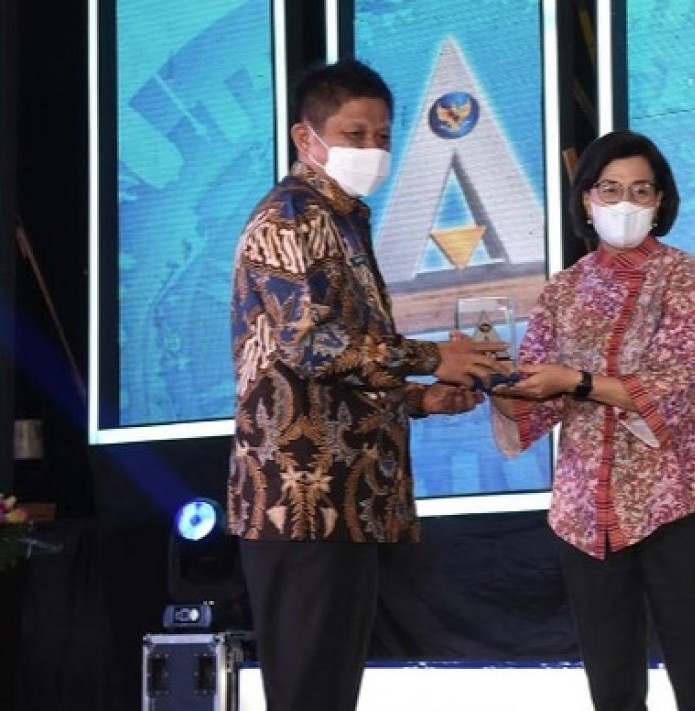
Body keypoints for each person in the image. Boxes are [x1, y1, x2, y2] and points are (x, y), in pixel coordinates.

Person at [227, 58, 501, 711]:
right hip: (300, 495)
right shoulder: (292, 216)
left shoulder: (343, 218)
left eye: (381, 136)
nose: (372, 150)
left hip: (344, 493)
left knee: (329, 690)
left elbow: (335, 362)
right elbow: (309, 344)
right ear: (306, 137)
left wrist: (418, 399)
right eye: (354, 135)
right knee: (307, 691)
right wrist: (434, 357)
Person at [488, 129, 695, 711]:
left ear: (660, 201)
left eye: (640, 190)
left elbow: (676, 382)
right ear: (587, 199)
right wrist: (493, 384)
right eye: (610, 189)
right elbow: (536, 404)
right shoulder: (561, 291)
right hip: (586, 510)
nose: (625, 203)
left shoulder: (684, 274)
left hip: (678, 498)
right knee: (611, 684)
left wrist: (576, 381)